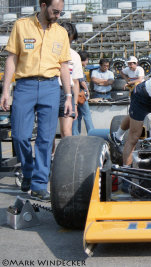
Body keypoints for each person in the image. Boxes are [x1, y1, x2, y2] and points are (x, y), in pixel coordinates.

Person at [0, 0, 72, 201]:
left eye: (60, 12)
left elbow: (64, 66)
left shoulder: (61, 33)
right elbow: (12, 59)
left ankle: (40, 184)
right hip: (25, 86)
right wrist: (6, 90)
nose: (58, 16)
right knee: (20, 136)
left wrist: (68, 96)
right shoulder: (22, 25)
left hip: (50, 86)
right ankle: (28, 170)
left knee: (46, 139)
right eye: (55, 11)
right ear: (42, 5)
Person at [109, 56, 145, 146]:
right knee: (135, 113)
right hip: (134, 91)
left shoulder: (139, 69)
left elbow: (140, 80)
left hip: (140, 90)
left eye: (132, 63)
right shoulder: (127, 70)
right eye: (129, 64)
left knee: (137, 113)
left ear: (136, 63)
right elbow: (122, 72)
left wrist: (128, 82)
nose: (130, 65)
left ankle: (120, 135)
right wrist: (126, 79)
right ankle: (121, 135)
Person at [57, 22, 83, 138]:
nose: (68, 43)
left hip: (67, 94)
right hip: (51, 90)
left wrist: (75, 105)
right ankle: (50, 156)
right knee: (49, 133)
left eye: (71, 40)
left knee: (66, 131)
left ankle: (67, 156)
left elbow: (76, 82)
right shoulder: (51, 52)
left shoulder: (75, 56)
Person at [72, 50, 94, 135]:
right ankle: (91, 132)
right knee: (87, 114)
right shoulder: (79, 67)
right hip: (80, 93)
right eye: (87, 60)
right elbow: (81, 80)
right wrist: (87, 90)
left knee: (77, 115)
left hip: (74, 93)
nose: (87, 62)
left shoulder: (73, 66)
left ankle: (75, 133)